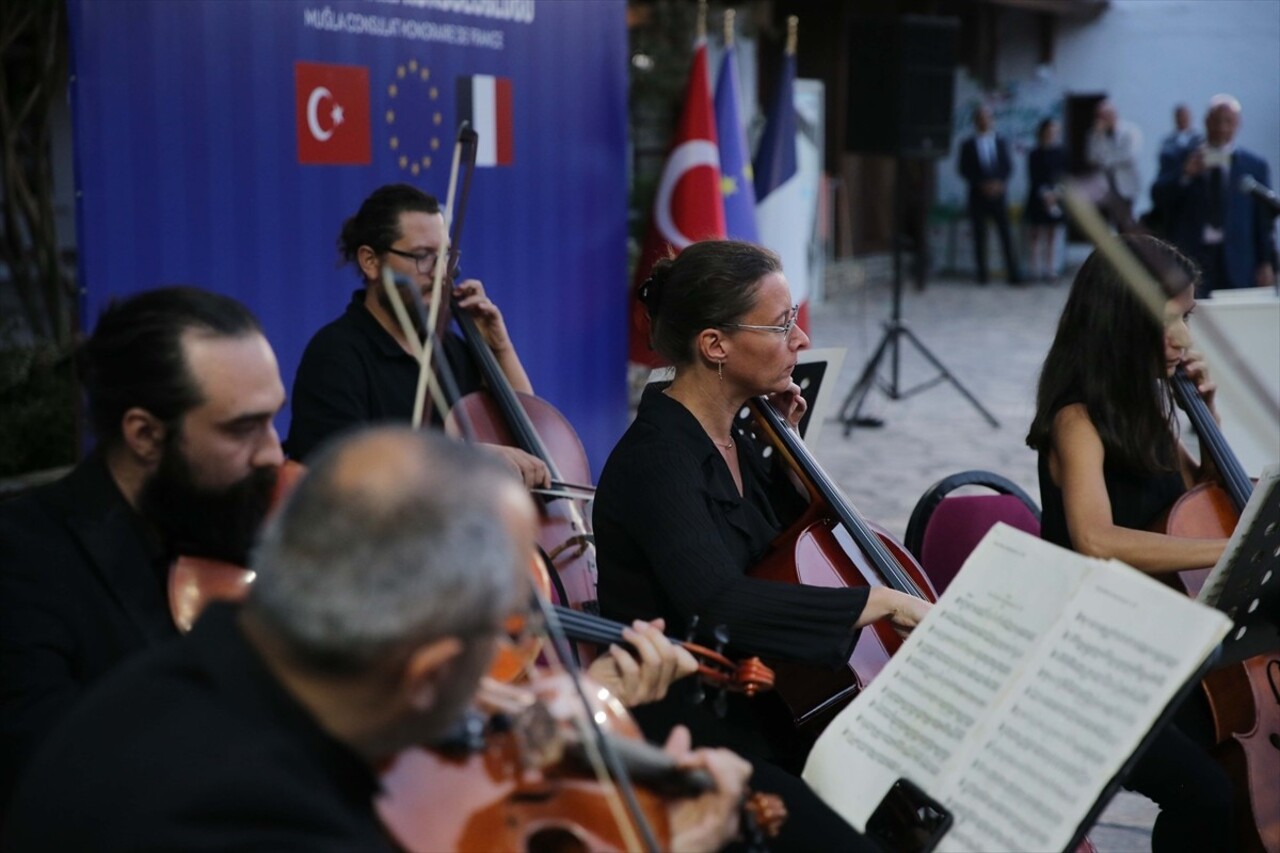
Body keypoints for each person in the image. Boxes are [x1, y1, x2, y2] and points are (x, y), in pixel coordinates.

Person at [3, 427, 751, 852]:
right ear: (424, 672)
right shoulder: (267, 820)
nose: (510, 687)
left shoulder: (168, 684)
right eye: (503, 636)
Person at [594, 239, 930, 849]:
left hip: (768, 700)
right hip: (695, 726)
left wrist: (790, 449)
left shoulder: (741, 437)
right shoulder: (657, 460)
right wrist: (882, 602)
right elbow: (719, 602)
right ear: (715, 345)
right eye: (781, 326)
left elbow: (793, 552)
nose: (800, 340)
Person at [0, 286, 286, 813]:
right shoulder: (22, 560)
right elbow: (55, 780)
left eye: (273, 419)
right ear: (145, 435)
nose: (274, 453)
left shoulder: (242, 518)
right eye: (244, 429)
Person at [1025, 234, 1234, 852]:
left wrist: (1209, 416)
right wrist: (1228, 554)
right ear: (1125, 321)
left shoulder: (1145, 404)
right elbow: (1096, 539)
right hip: (1090, 663)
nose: (1182, 338)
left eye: (1187, 320)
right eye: (1168, 321)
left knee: (1224, 780)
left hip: (1151, 642)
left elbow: (1200, 507)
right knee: (1208, 796)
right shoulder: (1077, 419)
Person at [286, 183, 549, 487]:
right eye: (423, 256)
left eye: (447, 256)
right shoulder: (336, 355)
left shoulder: (452, 351)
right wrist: (464, 457)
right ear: (370, 261)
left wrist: (499, 348)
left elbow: (530, 438)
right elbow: (339, 474)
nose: (441, 272)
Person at [1153, 94, 1277, 294]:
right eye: (1217, 120)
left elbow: (1262, 220)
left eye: (1228, 121)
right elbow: (1158, 197)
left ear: (1238, 124)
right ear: (1206, 121)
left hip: (1238, 258)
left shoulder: (1254, 165)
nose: (1222, 127)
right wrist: (1185, 174)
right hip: (1192, 255)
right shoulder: (1178, 156)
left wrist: (1266, 261)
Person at [957, 105, 1022, 285]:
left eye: (988, 118)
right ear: (976, 122)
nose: (985, 122)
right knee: (980, 235)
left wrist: (998, 183)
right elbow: (964, 169)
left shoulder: (1000, 142)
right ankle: (982, 274)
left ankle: (1013, 273)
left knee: (1005, 234)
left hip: (998, 195)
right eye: (982, 118)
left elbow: (1007, 166)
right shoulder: (968, 144)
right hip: (978, 196)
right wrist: (981, 184)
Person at [1086, 99, 1144, 223]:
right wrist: (1099, 137)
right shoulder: (1095, 134)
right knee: (1101, 223)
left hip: (1125, 184)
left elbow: (1129, 155)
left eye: (1105, 116)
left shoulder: (1130, 131)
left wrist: (1107, 160)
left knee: (1125, 222)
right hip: (1104, 186)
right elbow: (1092, 157)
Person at [1024, 117, 1067, 282]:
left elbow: (1063, 176)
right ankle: (1034, 269)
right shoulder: (1034, 153)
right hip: (1038, 196)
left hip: (1055, 197)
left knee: (1051, 234)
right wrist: (1044, 194)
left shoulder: (1061, 153)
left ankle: (1050, 269)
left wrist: (1055, 194)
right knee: (1035, 233)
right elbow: (1034, 176)